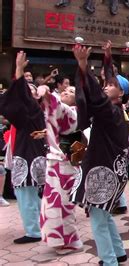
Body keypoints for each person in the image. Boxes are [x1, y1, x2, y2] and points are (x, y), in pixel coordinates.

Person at [71, 43, 129, 265]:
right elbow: (101, 93)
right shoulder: (117, 111)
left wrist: (83, 65)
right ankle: (119, 253)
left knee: (97, 218)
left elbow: (97, 98)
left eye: (112, 85)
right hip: (109, 170)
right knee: (104, 216)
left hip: (104, 172)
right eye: (105, 83)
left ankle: (109, 260)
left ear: (122, 93)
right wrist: (108, 58)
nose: (106, 86)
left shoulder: (112, 111)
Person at [0, 51, 47, 244]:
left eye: (31, 90)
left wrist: (19, 69)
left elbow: (20, 96)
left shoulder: (33, 109)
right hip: (29, 155)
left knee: (26, 194)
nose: (26, 92)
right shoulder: (30, 111)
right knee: (29, 195)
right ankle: (38, 226)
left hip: (28, 157)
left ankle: (34, 231)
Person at [39, 84, 84, 254]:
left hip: (65, 164)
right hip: (55, 162)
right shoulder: (60, 110)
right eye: (65, 89)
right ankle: (60, 240)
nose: (66, 91)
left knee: (63, 205)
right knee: (52, 204)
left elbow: (58, 107)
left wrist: (48, 94)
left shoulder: (74, 113)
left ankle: (72, 241)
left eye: (72, 91)